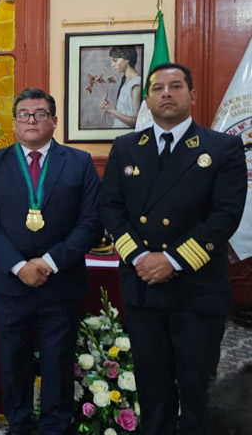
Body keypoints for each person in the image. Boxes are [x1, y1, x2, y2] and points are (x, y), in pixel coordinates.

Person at [99, 63, 247, 435]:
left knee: (197, 389)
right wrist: (139, 257)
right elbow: (111, 210)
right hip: (143, 287)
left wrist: (172, 260)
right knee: (152, 388)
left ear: (191, 96)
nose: (166, 92)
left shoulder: (222, 148)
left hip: (196, 291)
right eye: (158, 87)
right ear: (146, 98)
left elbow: (224, 216)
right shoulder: (126, 148)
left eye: (176, 86)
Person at [0, 88, 101, 435]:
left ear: (54, 121)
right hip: (10, 283)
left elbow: (90, 223)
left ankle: (55, 426)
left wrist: (47, 262)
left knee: (58, 359)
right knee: (13, 360)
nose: (31, 120)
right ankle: (18, 423)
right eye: (24, 114)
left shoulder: (79, 162)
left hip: (60, 282)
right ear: (14, 123)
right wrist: (19, 266)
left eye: (40, 114)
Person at [99, 45, 142, 128]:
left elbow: (137, 121)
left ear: (127, 59)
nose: (112, 65)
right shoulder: (125, 81)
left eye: (115, 61)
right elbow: (126, 111)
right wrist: (112, 108)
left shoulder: (136, 84)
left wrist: (113, 112)